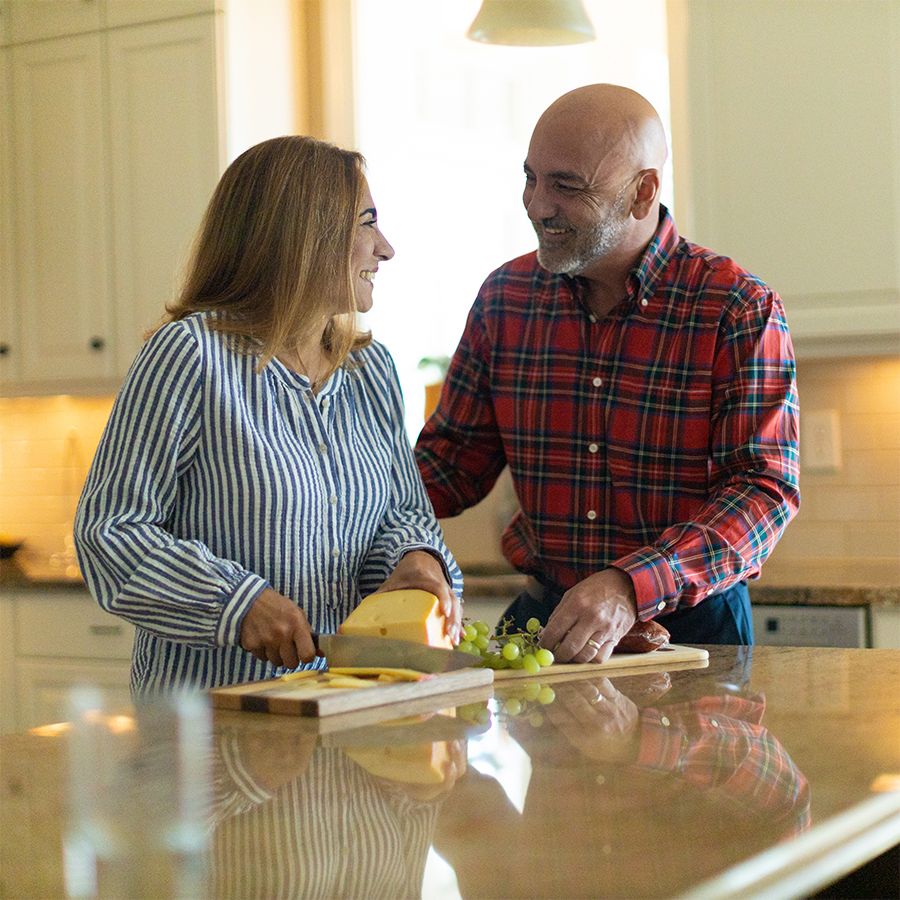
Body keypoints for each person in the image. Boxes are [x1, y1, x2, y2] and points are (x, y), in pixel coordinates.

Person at [415, 84, 800, 662]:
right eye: (530, 178)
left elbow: (763, 491)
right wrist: (386, 531)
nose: (537, 205)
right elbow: (449, 465)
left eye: (566, 185)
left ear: (642, 193)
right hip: (543, 626)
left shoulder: (735, 308)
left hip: (694, 633)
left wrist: (630, 584)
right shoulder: (505, 300)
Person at [75, 135, 462, 696]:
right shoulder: (191, 355)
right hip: (212, 732)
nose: (385, 248)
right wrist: (236, 604)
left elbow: (402, 513)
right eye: (367, 224)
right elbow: (110, 532)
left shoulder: (370, 369)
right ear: (305, 235)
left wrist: (415, 561)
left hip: (346, 717)